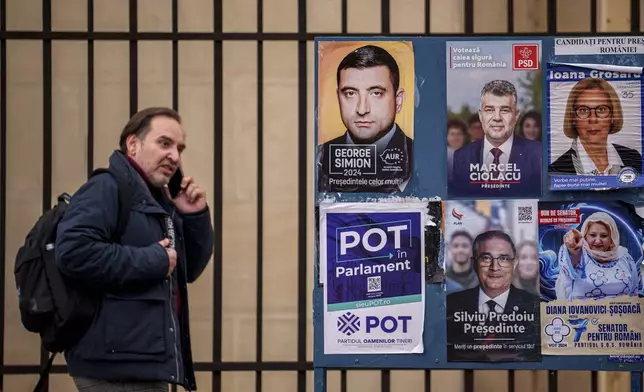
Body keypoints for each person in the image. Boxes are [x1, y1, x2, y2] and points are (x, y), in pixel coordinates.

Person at [54, 107, 214, 392]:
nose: (175, 156)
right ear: (133, 144)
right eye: (164, 143)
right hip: (114, 368)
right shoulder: (106, 187)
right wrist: (153, 260)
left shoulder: (157, 201)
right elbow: (74, 252)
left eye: (179, 148)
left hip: (141, 364)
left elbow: (188, 270)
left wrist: (193, 217)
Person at [317, 44, 413, 193]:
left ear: (398, 100)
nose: (362, 109)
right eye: (350, 93)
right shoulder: (319, 159)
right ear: (338, 98)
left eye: (376, 93)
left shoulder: (419, 158)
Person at [446, 230, 540, 361]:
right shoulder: (451, 305)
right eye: (486, 258)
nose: (494, 267)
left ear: (514, 264)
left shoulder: (536, 307)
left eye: (503, 258)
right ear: (474, 263)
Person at [449, 80, 542, 197]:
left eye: (504, 110)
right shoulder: (461, 157)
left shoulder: (538, 154)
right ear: (480, 115)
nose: (497, 117)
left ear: (516, 115)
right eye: (489, 110)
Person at [548, 77, 642, 176]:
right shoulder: (557, 170)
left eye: (601, 109)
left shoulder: (634, 158)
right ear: (573, 117)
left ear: (613, 116)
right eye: (583, 110)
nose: (593, 119)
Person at [556, 212, 642, 300]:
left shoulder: (624, 257)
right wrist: (572, 249)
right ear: (585, 236)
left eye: (604, 236)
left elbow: (634, 292)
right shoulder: (578, 254)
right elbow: (569, 268)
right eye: (593, 235)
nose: (597, 241)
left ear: (612, 237)